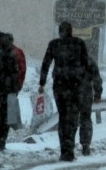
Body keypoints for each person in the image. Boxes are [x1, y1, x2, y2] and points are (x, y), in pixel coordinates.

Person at [38, 21, 90, 162]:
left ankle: (64, 150)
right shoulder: (79, 44)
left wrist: (42, 82)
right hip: (76, 86)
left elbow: (46, 63)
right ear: (71, 31)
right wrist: (86, 83)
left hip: (60, 85)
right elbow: (86, 64)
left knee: (63, 117)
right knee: (73, 117)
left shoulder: (54, 44)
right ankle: (70, 147)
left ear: (60, 32)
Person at [78, 57, 103, 156]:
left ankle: (68, 145)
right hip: (85, 94)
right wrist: (98, 94)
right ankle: (85, 144)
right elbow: (97, 79)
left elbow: (57, 76)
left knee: (69, 120)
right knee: (85, 119)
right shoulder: (89, 61)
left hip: (70, 94)